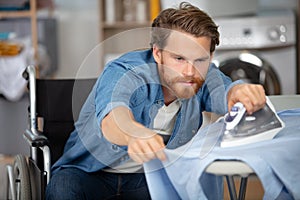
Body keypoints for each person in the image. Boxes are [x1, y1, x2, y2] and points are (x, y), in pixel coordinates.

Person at [46, 2, 266, 199]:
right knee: (62, 188)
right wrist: (134, 133)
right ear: (158, 53)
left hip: (148, 176)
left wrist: (239, 92)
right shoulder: (125, 71)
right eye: (179, 58)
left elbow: (225, 91)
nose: (190, 71)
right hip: (89, 172)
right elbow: (113, 117)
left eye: (200, 59)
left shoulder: (206, 75)